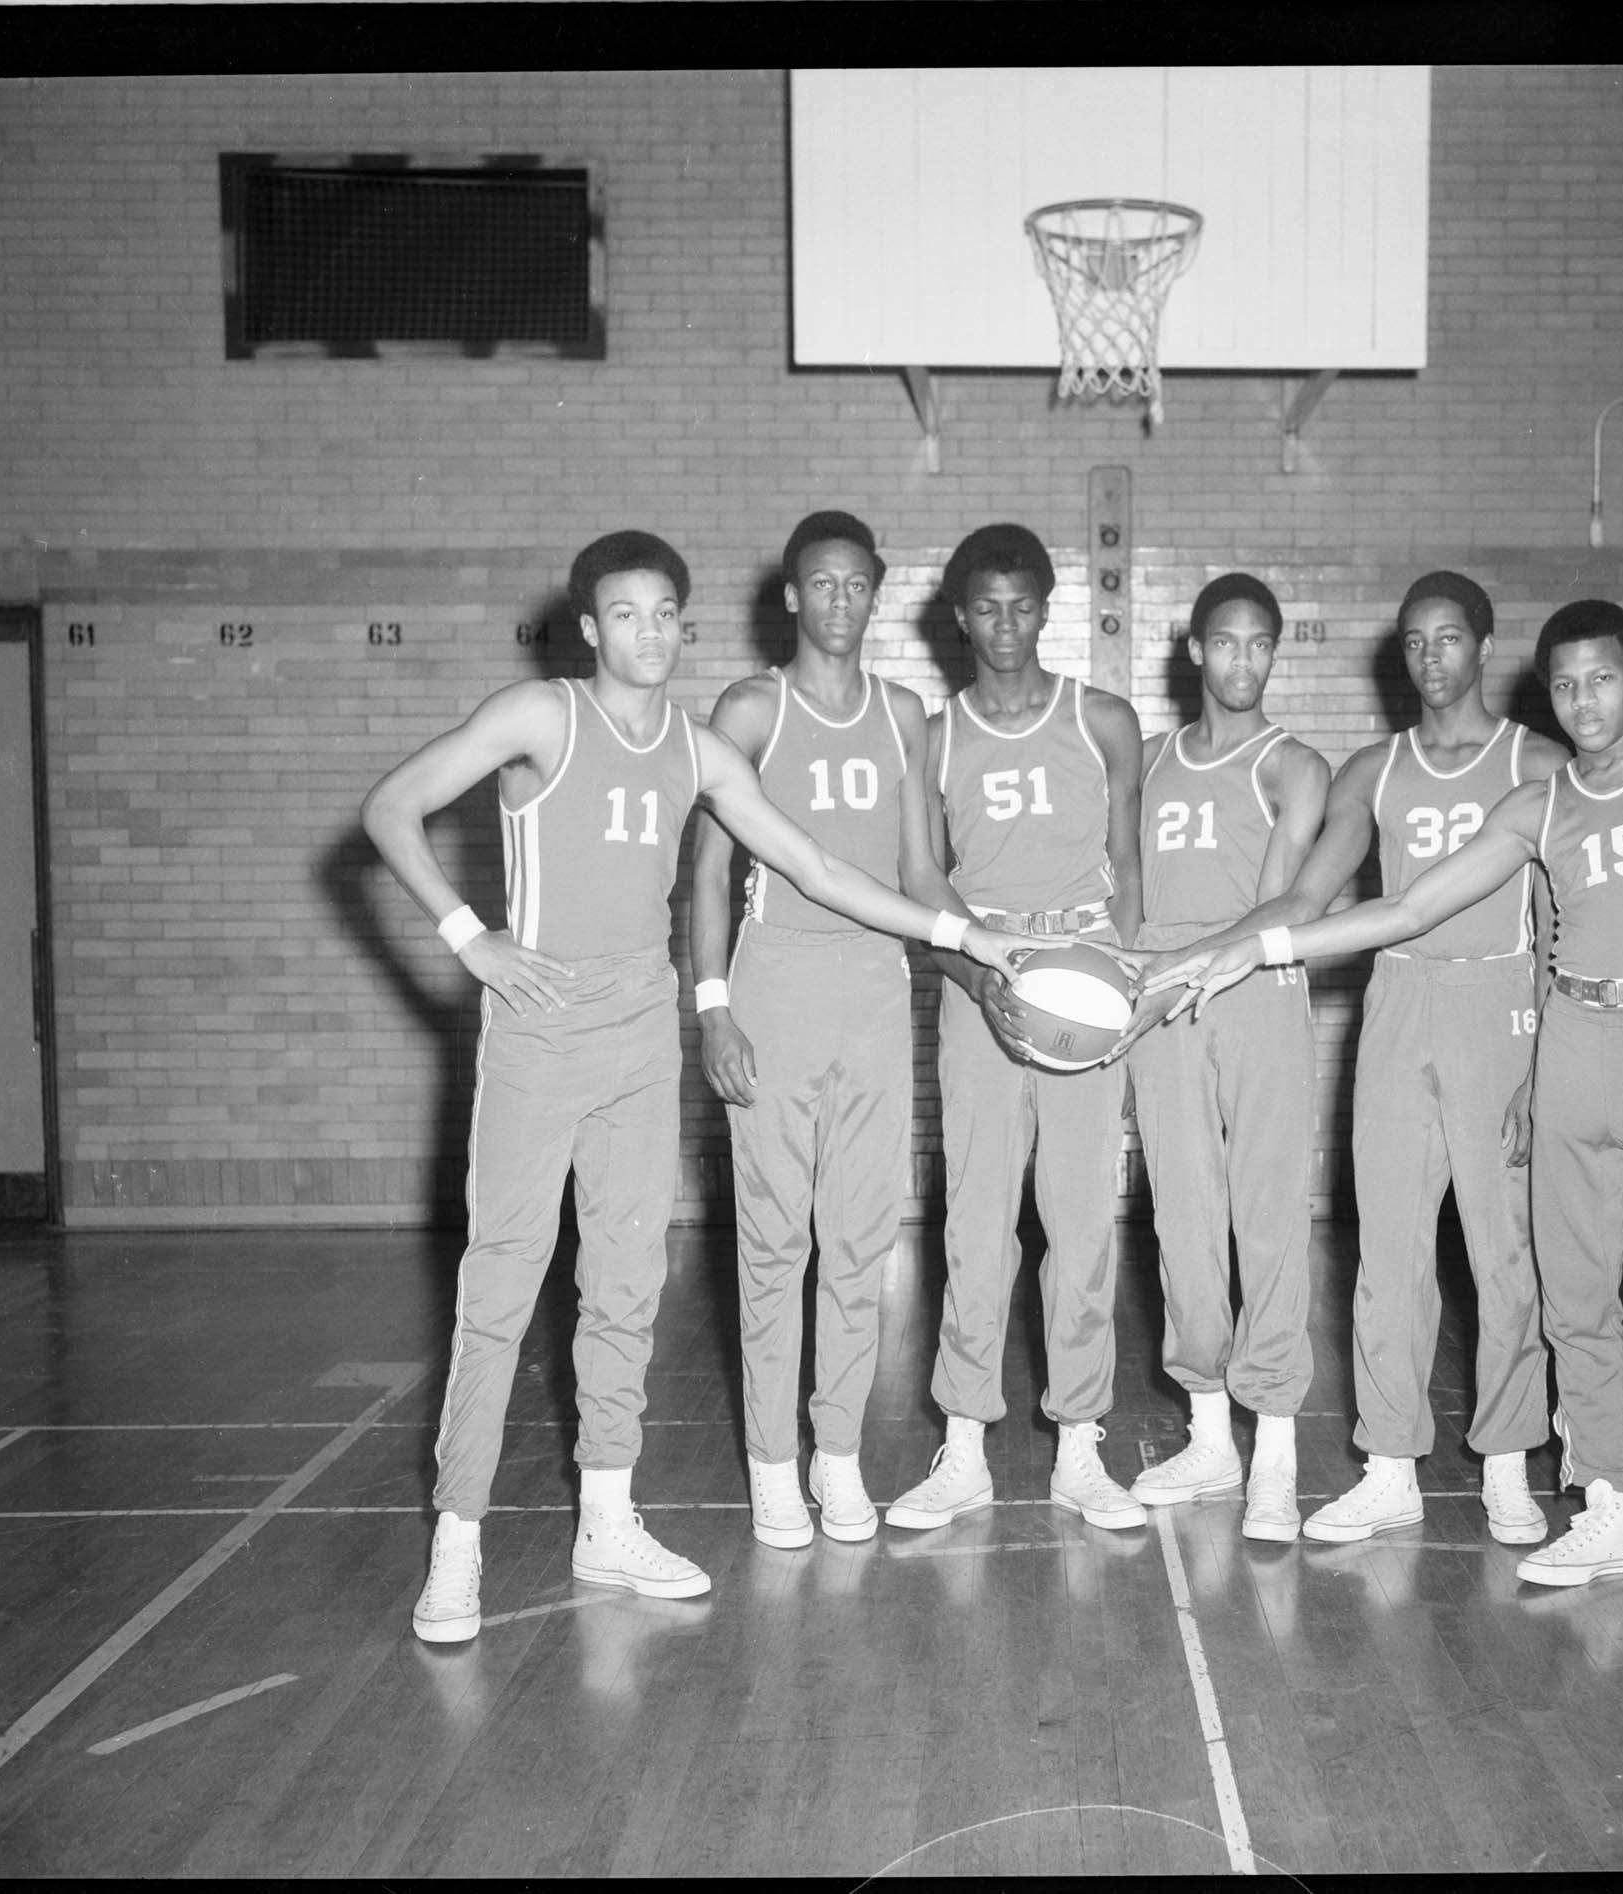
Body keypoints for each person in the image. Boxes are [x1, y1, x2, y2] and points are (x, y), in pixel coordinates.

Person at [1150, 597, 1623, 1637]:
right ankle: (1601, 1505)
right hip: (1548, 1038)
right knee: (1567, 1300)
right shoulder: (1534, 802)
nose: (1584, 700)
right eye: (1566, 684)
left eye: (1601, 679)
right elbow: (1403, 909)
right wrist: (1248, 950)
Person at [362, 529, 1021, 1643]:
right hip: (539, 1027)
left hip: (638, 1023)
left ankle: (606, 1521)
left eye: (666, 613)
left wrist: (966, 935)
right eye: (626, 614)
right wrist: (470, 936)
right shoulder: (538, 718)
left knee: (625, 1286)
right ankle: (457, 1542)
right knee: (502, 1287)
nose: (649, 633)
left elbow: (817, 868)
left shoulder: (699, 751)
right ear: (589, 627)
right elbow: (390, 807)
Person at [1147, 573, 1566, 1546]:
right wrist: (1215, 954)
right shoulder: (1373, 770)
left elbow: (1559, 922)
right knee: (1386, 1253)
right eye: (1414, 641)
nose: (1430, 657)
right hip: (1397, 1000)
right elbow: (1305, 897)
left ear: (1485, 645)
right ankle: (1388, 1466)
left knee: (1502, 1253)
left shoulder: (1538, 762)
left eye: (1448, 638)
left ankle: (1508, 1466)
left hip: (1498, 1004)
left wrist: (1546, 1053)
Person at [689, 510, 969, 1551]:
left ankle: (836, 1453)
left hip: (875, 986)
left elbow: (919, 870)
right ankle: (772, 1464)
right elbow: (707, 875)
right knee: (774, 1242)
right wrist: (712, 1006)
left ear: (875, 596)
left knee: (860, 1240)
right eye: (823, 583)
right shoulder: (752, 707)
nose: (840, 601)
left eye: (857, 585)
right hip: (775, 981)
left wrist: (981, 950)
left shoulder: (903, 713)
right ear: (791, 595)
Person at [885, 523, 1151, 1534]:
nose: (1005, 625)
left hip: (1083, 981)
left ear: (1047, 610)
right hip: (980, 984)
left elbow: (1129, 871)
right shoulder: (933, 736)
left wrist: (1119, 990)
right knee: (976, 1219)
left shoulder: (1104, 721)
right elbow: (921, 884)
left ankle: (1079, 1444)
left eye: (1023, 606)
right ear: (958, 617)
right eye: (986, 608)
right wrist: (974, 972)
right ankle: (963, 1447)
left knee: (1080, 1220)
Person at [1115, 575, 1331, 1542]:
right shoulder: (1153, 761)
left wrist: (1186, 963)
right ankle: (1210, 1438)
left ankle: (1275, 1453)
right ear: (1195, 649)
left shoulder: (1294, 766)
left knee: (1269, 1218)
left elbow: (1286, 901)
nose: (1244, 661)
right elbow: (1123, 885)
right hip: (1164, 1007)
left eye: (1261, 645)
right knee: (1183, 1218)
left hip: (1254, 993)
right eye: (1227, 642)